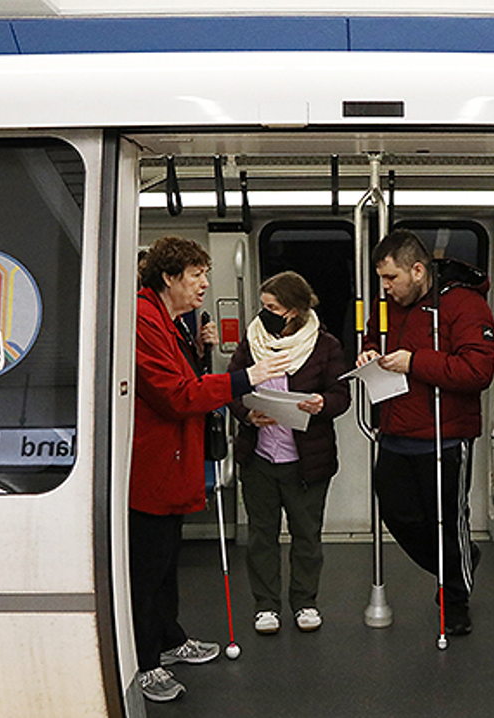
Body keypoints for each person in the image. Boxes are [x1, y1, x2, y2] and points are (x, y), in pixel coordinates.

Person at [132, 236, 290, 702]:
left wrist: (200, 353)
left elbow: (189, 379)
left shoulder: (173, 321)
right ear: (168, 277)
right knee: (147, 568)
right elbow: (177, 395)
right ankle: (144, 663)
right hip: (153, 463)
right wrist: (247, 378)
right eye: (196, 274)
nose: (204, 283)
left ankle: (170, 639)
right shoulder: (143, 320)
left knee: (166, 562)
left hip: (174, 460)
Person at [356, 229, 494, 636]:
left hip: (444, 435)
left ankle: (455, 600)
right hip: (395, 430)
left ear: (418, 271)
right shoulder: (389, 306)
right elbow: (373, 338)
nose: (386, 287)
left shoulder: (465, 305)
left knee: (446, 521)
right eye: (382, 279)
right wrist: (368, 352)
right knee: (398, 514)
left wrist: (415, 362)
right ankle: (460, 560)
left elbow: (478, 371)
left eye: (391, 278)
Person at [226, 271, 350, 635]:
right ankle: (266, 605)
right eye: (263, 306)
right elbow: (232, 387)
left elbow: (341, 397)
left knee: (306, 535)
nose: (264, 313)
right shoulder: (253, 341)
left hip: (307, 461)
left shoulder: (325, 346)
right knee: (261, 536)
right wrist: (247, 413)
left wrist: (321, 403)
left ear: (294, 311)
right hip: (260, 456)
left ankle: (304, 601)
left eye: (272, 307)